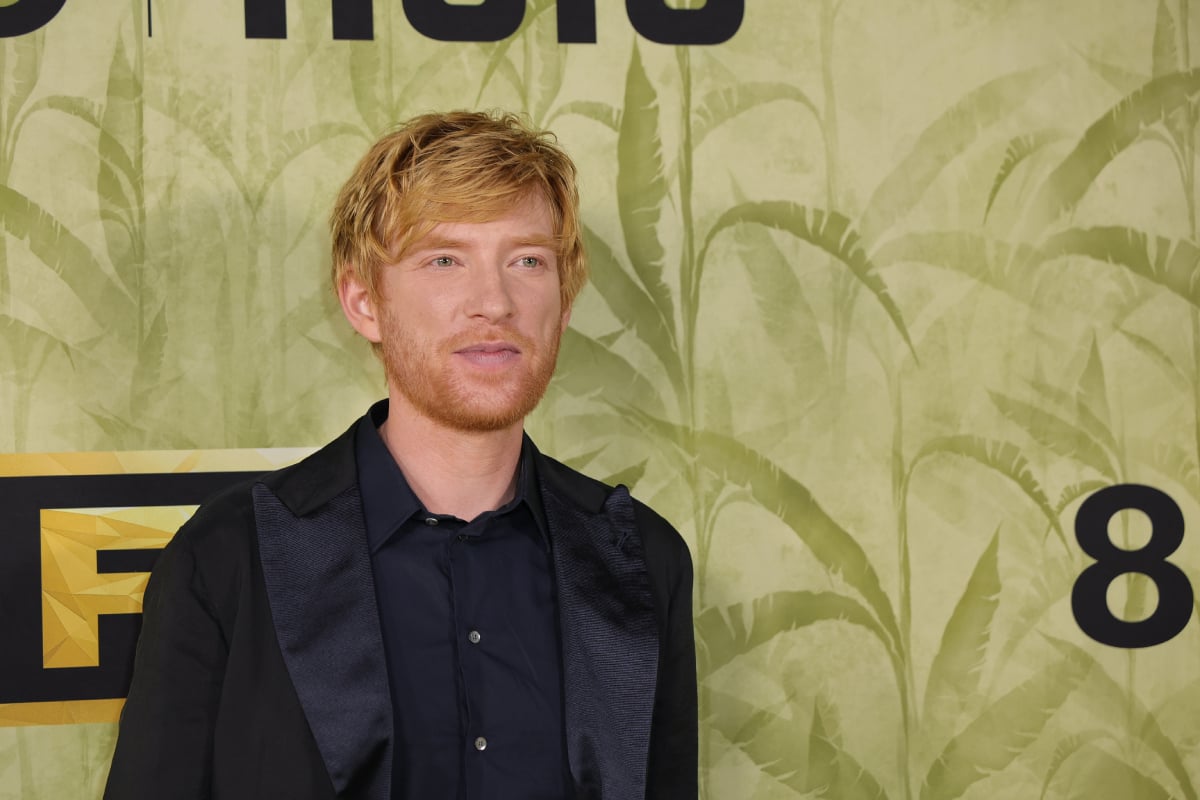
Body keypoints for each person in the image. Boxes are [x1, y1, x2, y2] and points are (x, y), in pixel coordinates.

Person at [103, 110, 697, 800]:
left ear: (562, 304)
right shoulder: (229, 556)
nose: (494, 302)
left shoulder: (643, 561)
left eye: (527, 261)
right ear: (363, 301)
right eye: (445, 259)